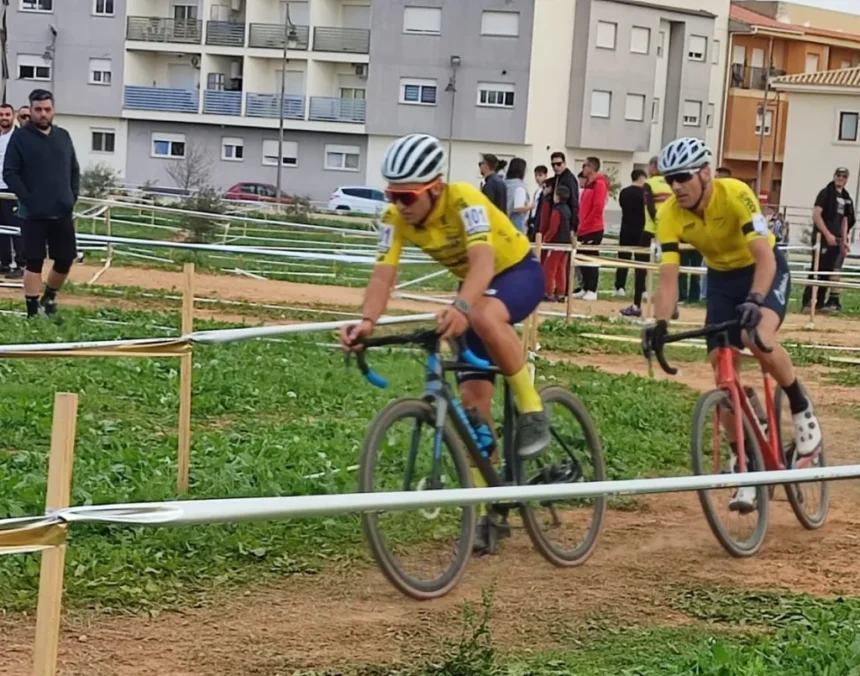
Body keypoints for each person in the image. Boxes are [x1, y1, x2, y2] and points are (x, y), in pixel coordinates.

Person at [340, 134, 550, 551]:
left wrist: (460, 304)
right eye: (391, 194)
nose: (398, 204)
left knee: (486, 313)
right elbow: (384, 274)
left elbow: (484, 263)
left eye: (406, 195)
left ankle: (532, 408)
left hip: (516, 273)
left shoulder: (465, 200)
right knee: (473, 407)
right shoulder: (394, 219)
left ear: (434, 187)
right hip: (473, 289)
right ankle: (491, 504)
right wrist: (366, 321)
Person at [643, 137, 822, 513]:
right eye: (671, 179)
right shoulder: (670, 215)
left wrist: (757, 299)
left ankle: (800, 405)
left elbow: (764, 257)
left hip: (763, 270)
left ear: (705, 173)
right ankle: (747, 454)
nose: (676, 186)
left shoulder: (736, 194)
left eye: (684, 177)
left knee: (757, 338)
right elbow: (669, 278)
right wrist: (659, 322)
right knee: (721, 370)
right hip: (722, 282)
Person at [2, 89, 80, 320]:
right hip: (33, 214)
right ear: (31, 110)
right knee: (34, 261)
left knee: (65, 258)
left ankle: (49, 297)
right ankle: (33, 312)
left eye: (47, 109)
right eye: (38, 109)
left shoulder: (63, 136)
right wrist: (29, 198)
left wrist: (71, 196)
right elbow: (10, 173)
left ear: (53, 109)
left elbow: (74, 170)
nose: (43, 114)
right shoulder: (20, 138)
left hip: (61, 211)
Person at [621, 157, 673, 318]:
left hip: (650, 230)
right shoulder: (670, 184)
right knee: (670, 268)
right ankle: (672, 305)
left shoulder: (649, 184)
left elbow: (650, 206)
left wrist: (656, 229)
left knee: (640, 269)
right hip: (670, 230)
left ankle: (636, 305)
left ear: (652, 167)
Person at [802, 167, 855, 314]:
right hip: (822, 238)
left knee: (829, 272)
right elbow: (816, 215)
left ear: (847, 179)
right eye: (838, 175)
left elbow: (845, 220)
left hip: (837, 239)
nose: (840, 178)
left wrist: (844, 240)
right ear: (834, 176)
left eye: (844, 176)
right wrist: (827, 234)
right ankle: (808, 303)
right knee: (817, 269)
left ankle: (820, 304)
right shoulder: (825, 193)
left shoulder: (846, 198)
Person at [572, 157, 608, 301]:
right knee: (582, 258)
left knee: (591, 258)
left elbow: (597, 207)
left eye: (584, 165)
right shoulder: (589, 184)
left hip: (593, 228)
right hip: (584, 227)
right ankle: (585, 287)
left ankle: (592, 289)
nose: (583, 168)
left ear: (591, 167)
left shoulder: (599, 184)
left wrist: (586, 224)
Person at [0, 103, 24, 279]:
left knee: (15, 229)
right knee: (1, 230)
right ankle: (4, 263)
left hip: (12, 190)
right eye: (1, 114)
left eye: (7, 114)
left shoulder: (20, 137)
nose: (4, 117)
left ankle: (22, 264)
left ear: (13, 115)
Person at [614, 169, 647, 298]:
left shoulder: (624, 192)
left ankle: (620, 286)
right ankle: (641, 289)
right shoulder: (645, 193)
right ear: (641, 178)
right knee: (641, 262)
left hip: (626, 229)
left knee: (623, 259)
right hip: (641, 230)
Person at [542, 184, 573, 301]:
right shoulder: (567, 209)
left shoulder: (557, 210)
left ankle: (548, 291)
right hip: (566, 242)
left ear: (557, 196)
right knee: (561, 267)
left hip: (557, 243)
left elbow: (554, 227)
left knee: (549, 267)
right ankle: (561, 292)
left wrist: (546, 239)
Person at [504, 157, 531, 235]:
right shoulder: (519, 187)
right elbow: (518, 208)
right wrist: (531, 206)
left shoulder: (505, 184)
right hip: (516, 222)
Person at [527, 164, 548, 240]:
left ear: (545, 175)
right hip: (532, 221)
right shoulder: (537, 190)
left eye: (540, 175)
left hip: (538, 222)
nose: (537, 178)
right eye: (536, 175)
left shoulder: (545, 190)